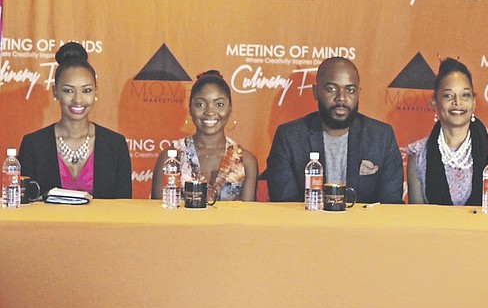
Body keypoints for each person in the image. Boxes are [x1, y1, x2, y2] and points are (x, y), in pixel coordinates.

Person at [266, 57, 403, 204]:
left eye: (350, 90)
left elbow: (390, 205)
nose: (341, 98)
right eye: (331, 89)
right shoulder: (289, 137)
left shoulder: (381, 137)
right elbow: (285, 205)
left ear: (358, 93)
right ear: (315, 92)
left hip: (365, 226)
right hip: (307, 225)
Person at [18, 42, 132, 198]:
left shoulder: (115, 144)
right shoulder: (33, 144)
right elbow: (25, 207)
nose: (78, 99)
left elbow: (124, 208)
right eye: (68, 90)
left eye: (86, 90)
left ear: (95, 92)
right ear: (55, 92)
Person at [406, 58, 488, 205]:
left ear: (474, 102)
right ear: (434, 103)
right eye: (448, 95)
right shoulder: (419, 154)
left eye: (465, 95)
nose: (457, 102)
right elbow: (416, 220)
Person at [151, 70, 258, 201]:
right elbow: (158, 215)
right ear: (190, 108)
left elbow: (249, 218)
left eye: (219, 104)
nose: (209, 112)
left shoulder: (245, 161)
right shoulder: (172, 157)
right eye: (200, 104)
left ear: (230, 108)